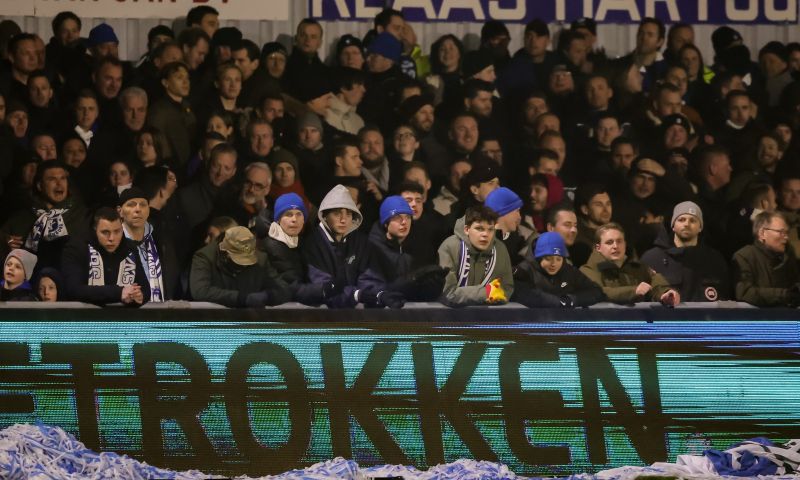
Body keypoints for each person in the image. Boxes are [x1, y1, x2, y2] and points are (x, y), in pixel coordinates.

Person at [303, 184, 403, 309]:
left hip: (352, 315)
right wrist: (357, 295)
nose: (343, 219)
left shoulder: (360, 242)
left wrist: (379, 294)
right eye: (337, 213)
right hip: (317, 320)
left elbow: (368, 278)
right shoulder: (312, 244)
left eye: (349, 214)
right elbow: (325, 288)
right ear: (324, 216)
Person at [641, 201, 731, 302]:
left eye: (692, 220)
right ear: (673, 225)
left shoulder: (714, 259)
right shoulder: (652, 258)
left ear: (700, 227)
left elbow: (724, 298)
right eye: (681, 220)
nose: (687, 224)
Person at [61, 207, 150, 306]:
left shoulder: (130, 249)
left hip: (123, 319)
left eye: (117, 232)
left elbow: (145, 290)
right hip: (85, 319)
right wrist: (119, 293)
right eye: (105, 232)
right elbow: (74, 290)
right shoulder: (77, 248)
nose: (111, 238)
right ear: (95, 229)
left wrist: (138, 295)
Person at [369, 195, 447, 302]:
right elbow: (373, 288)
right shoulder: (373, 248)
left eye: (407, 217)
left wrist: (431, 289)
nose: (404, 222)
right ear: (386, 223)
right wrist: (412, 280)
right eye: (397, 217)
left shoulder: (419, 244)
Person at [580, 222, 680, 306]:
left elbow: (656, 285)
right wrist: (634, 291)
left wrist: (666, 293)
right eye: (609, 242)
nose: (615, 246)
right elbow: (599, 292)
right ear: (598, 248)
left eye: (619, 241)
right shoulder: (588, 270)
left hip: (638, 324)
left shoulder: (638, 267)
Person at [190, 225, 291, 308]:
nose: (243, 264)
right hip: (213, 318)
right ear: (225, 252)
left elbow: (284, 289)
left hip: (250, 319)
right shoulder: (204, 257)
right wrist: (241, 298)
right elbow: (200, 291)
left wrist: (269, 296)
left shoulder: (260, 259)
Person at [438, 205, 514, 306]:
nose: (485, 234)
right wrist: (486, 292)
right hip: (451, 317)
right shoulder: (450, 247)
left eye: (490, 229)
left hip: (489, 317)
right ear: (466, 229)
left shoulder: (500, 249)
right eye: (479, 228)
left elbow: (506, 290)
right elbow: (448, 293)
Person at [513, 232, 605, 308]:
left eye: (558, 259)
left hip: (562, 324)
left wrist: (572, 299)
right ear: (538, 258)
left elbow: (596, 291)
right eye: (548, 258)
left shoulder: (568, 271)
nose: (553, 264)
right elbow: (525, 294)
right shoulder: (524, 271)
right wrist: (559, 302)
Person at [733, 211, 800, 307]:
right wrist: (784, 294)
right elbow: (745, 293)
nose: (786, 237)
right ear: (762, 233)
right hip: (759, 318)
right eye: (781, 232)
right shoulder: (744, 256)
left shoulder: (788, 257)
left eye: (787, 232)